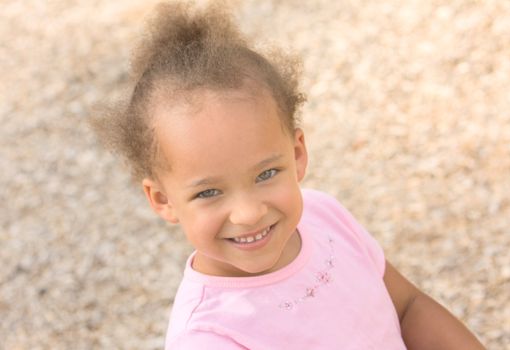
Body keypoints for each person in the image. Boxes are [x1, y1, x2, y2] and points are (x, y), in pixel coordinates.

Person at [90, 2, 486, 349]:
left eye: (266, 174)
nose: (247, 213)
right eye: (209, 191)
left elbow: (407, 308)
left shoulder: (323, 215)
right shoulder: (209, 336)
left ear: (297, 154)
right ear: (162, 199)